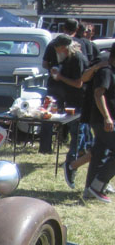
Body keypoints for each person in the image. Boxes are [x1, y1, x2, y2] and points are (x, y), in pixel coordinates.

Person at [50, 35, 89, 188]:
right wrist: (57, 71)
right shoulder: (67, 59)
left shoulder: (77, 58)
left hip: (80, 101)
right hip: (72, 101)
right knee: (83, 136)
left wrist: (60, 77)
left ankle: (70, 163)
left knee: (78, 134)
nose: (56, 51)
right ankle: (80, 158)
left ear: (64, 47)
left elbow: (78, 83)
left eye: (57, 48)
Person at [83, 48, 115, 203]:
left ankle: (89, 191)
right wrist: (107, 117)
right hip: (103, 121)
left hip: (105, 120)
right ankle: (97, 186)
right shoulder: (106, 71)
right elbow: (98, 94)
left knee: (99, 153)